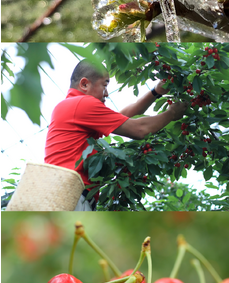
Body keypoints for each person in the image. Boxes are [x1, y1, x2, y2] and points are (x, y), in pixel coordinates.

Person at [44, 59, 188, 211]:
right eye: (104, 85)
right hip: (69, 195)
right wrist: (171, 113)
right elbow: (139, 129)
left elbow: (123, 116)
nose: (106, 93)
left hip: (61, 193)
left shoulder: (72, 106)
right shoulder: (83, 104)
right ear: (85, 84)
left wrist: (155, 92)